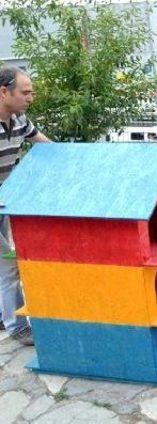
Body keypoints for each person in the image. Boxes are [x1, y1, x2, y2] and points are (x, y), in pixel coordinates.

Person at [0, 66, 50, 345]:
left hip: (6, 202)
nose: (30, 97)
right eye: (25, 92)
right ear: (4, 92)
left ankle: (4, 312)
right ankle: (16, 326)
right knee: (8, 266)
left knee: (2, 264)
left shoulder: (20, 121)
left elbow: (47, 146)